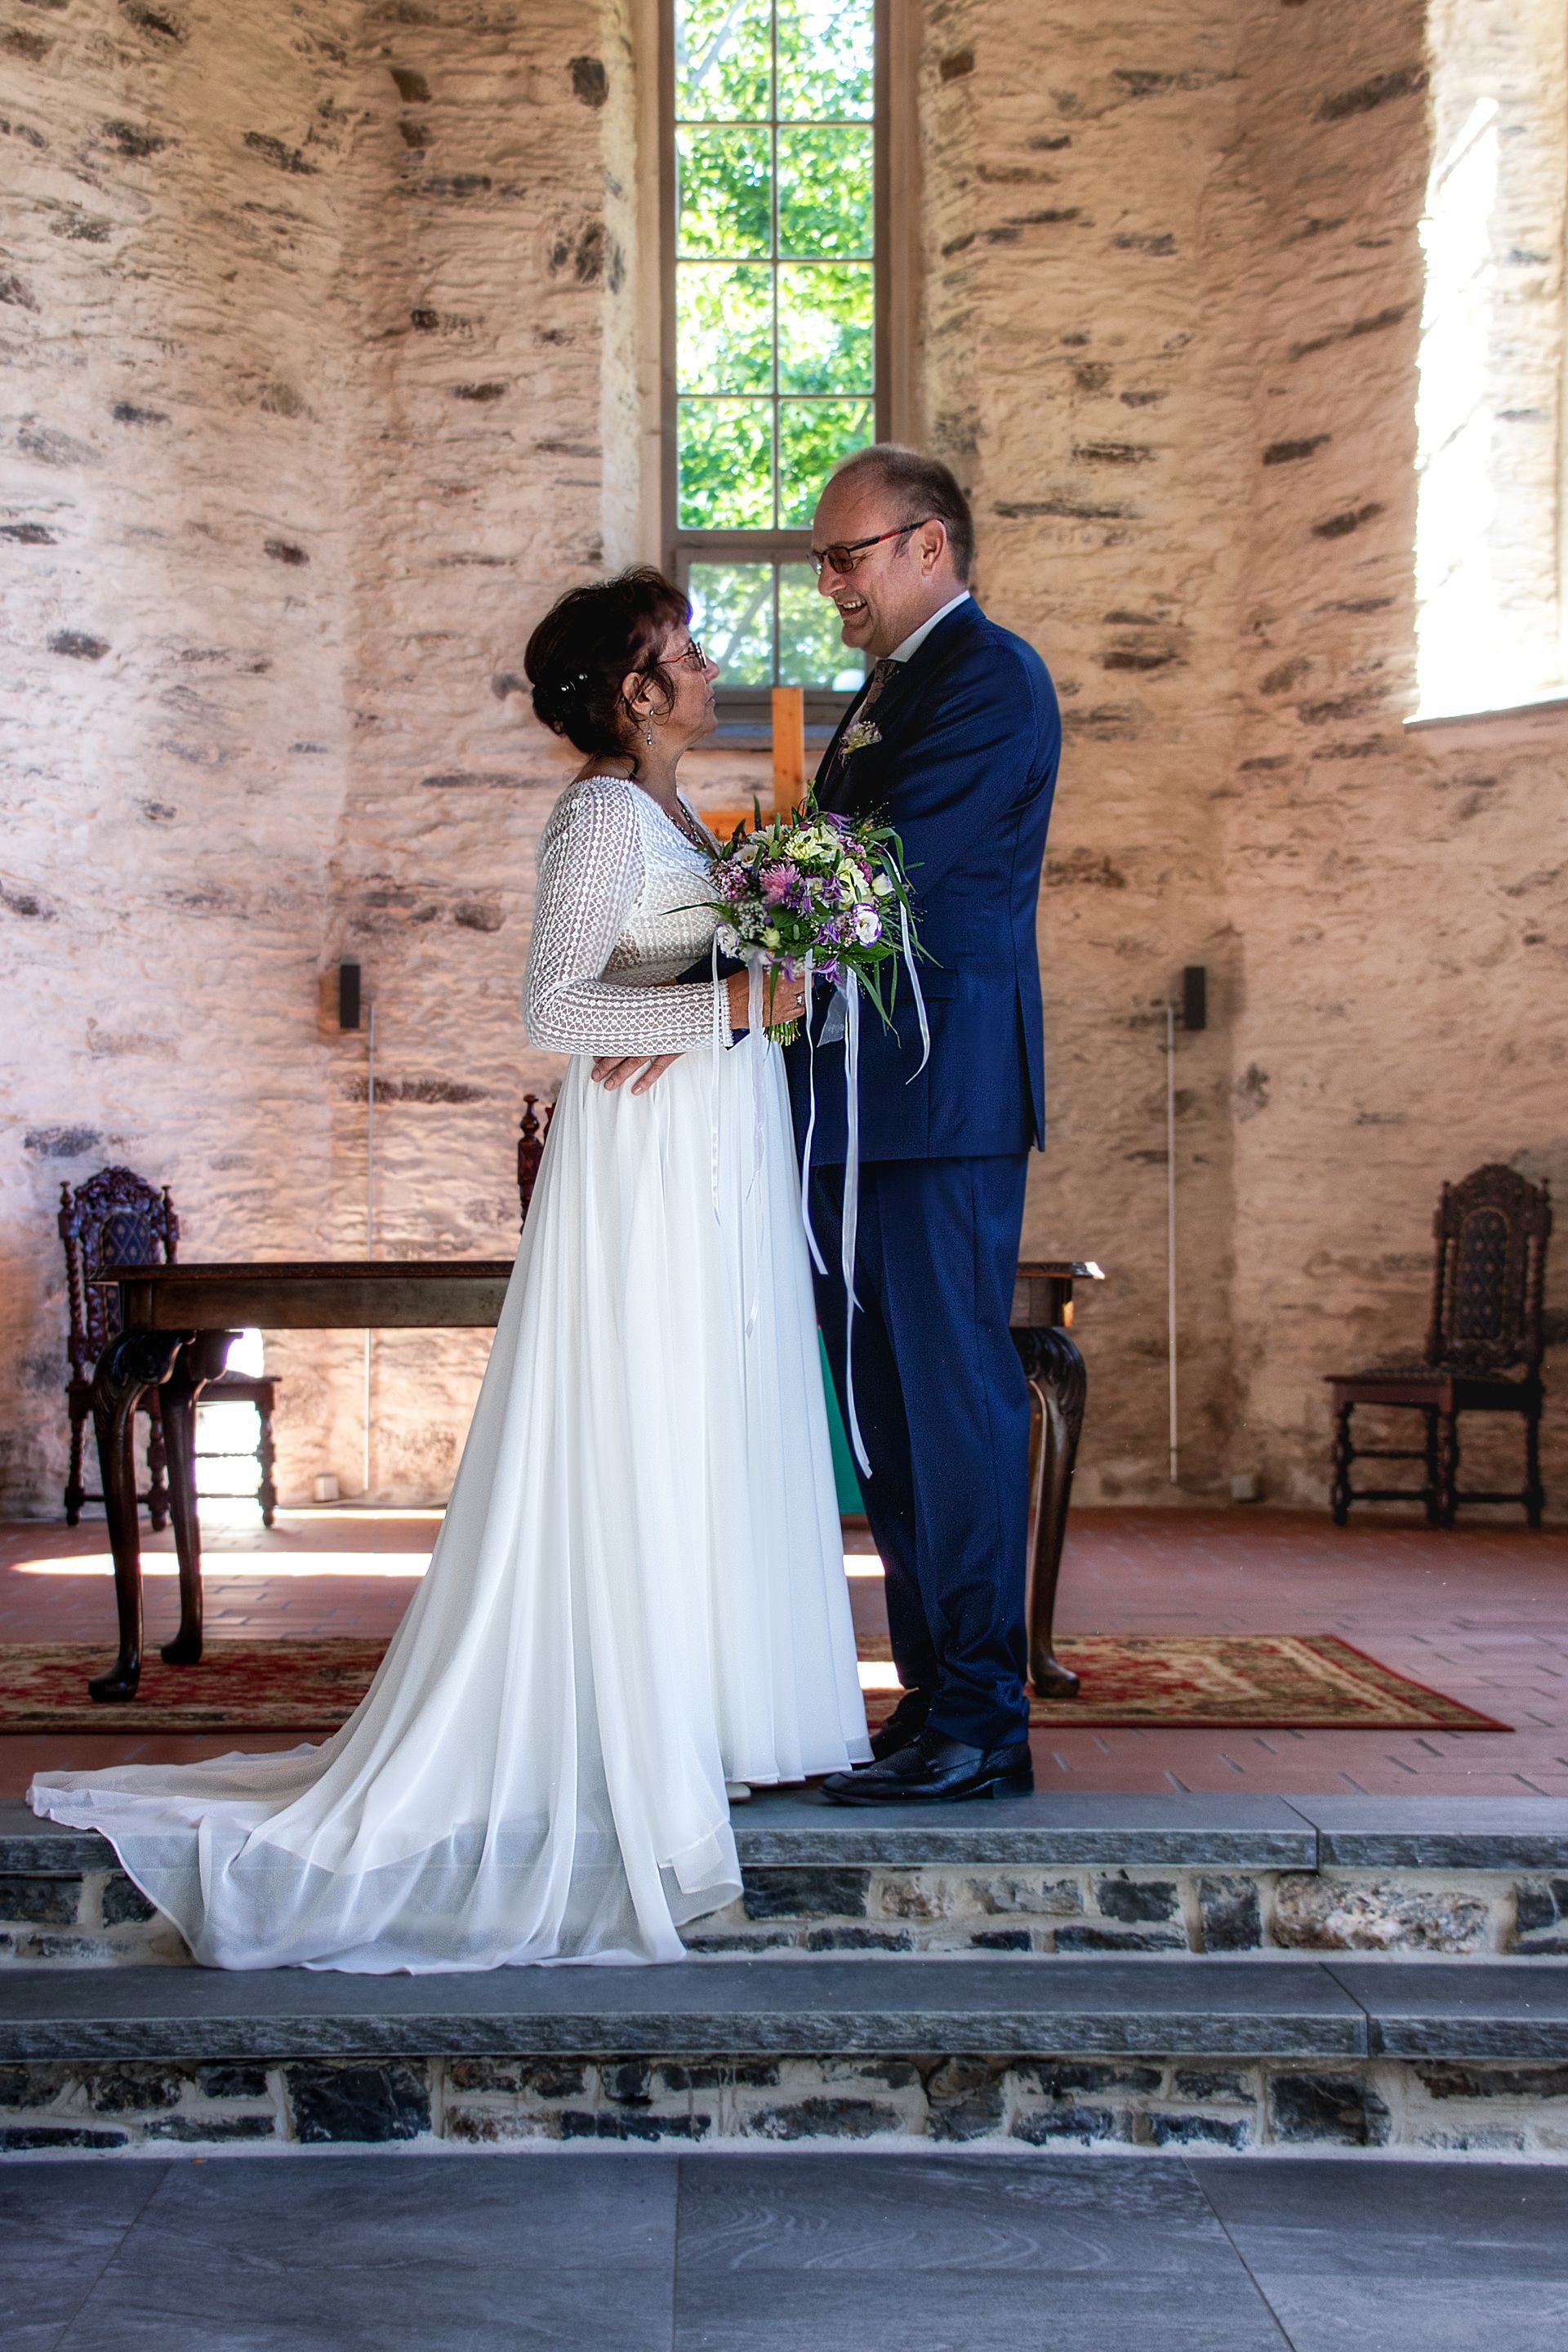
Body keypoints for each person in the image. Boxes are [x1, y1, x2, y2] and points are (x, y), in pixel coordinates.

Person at [29, 568, 869, 1969]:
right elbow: (558, 1003)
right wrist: (737, 996)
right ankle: (635, 1733)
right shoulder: (602, 816)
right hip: (647, 1168)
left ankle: (710, 1713)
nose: (705, 663)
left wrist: (767, 981)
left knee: (709, 1419)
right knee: (648, 1418)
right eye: (682, 649)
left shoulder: (673, 814)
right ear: (632, 692)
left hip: (711, 1148)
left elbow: (664, 988)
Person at [795, 446, 1060, 1806]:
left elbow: (879, 868)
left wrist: (731, 929)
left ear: (929, 545)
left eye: (847, 556)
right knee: (887, 1412)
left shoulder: (990, 677)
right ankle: (933, 1691)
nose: (829, 583)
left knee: (953, 1400)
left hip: (941, 1094)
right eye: (822, 560)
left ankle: (985, 1718)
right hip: (861, 1099)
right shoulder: (892, 686)